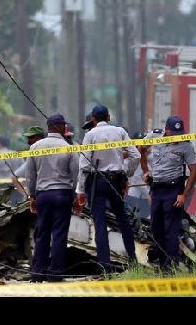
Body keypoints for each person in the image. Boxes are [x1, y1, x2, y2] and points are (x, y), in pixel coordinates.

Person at [75, 104, 141, 272]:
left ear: (93, 119)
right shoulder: (119, 132)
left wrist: (80, 191)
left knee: (100, 223)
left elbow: (84, 166)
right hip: (116, 181)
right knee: (124, 221)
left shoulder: (90, 135)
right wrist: (126, 174)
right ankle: (132, 261)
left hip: (97, 182)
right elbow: (136, 155)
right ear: (109, 117)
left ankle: (105, 265)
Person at [25, 114, 79, 282]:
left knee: (42, 234)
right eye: (63, 125)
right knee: (59, 234)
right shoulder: (68, 147)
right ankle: (55, 273)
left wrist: (32, 195)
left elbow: (30, 175)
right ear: (61, 127)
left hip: (43, 195)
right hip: (63, 194)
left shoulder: (35, 147)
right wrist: (76, 195)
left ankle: (38, 272)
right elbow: (75, 173)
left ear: (48, 127)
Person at [140, 116, 196, 271]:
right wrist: (146, 171)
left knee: (170, 231)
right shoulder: (154, 136)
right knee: (156, 230)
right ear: (166, 130)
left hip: (174, 191)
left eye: (180, 132)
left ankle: (170, 268)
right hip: (157, 190)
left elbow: (193, 171)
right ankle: (163, 263)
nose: (177, 136)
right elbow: (141, 149)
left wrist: (184, 194)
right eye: (174, 132)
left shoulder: (186, 145)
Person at [125, 130, 158, 219]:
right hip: (137, 194)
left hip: (147, 193)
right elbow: (136, 178)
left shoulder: (152, 156)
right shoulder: (132, 159)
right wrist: (148, 195)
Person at [10, 126, 46, 201]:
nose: (29, 141)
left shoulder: (51, 153)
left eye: (31, 137)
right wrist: (25, 193)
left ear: (39, 138)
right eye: (28, 138)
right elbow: (14, 178)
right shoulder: (32, 156)